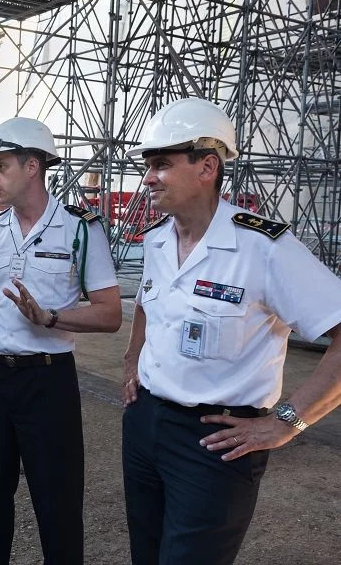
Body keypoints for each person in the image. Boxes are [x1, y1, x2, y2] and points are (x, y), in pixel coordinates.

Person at [120, 97, 341, 564]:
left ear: (207, 167)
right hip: (146, 423)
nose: (147, 177)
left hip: (216, 439)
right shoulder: (159, 239)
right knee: (146, 551)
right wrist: (131, 360)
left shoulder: (264, 248)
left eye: (161, 164)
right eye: (148, 165)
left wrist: (287, 423)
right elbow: (147, 303)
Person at [0, 116, 122, 565]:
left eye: (1, 166)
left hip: (48, 384)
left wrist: (51, 316)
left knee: (57, 504)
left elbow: (111, 314)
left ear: (33, 166)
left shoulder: (81, 229)